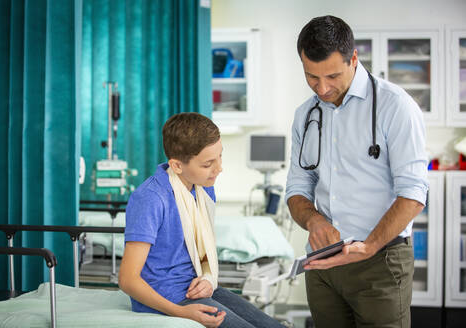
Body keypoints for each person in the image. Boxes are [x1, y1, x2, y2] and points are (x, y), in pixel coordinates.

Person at [285, 15, 429, 328]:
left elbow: (414, 193)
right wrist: (313, 219)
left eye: (333, 76)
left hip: (380, 261)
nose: (322, 88)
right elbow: (297, 187)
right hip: (322, 263)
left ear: (354, 58)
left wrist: (371, 245)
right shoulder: (304, 115)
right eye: (311, 77)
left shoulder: (396, 107)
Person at [119, 112, 285, 328]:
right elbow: (127, 280)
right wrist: (181, 312)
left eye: (220, 157)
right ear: (177, 166)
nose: (219, 168)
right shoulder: (151, 198)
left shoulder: (203, 189)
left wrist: (208, 279)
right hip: (170, 298)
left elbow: (201, 249)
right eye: (208, 164)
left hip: (199, 288)